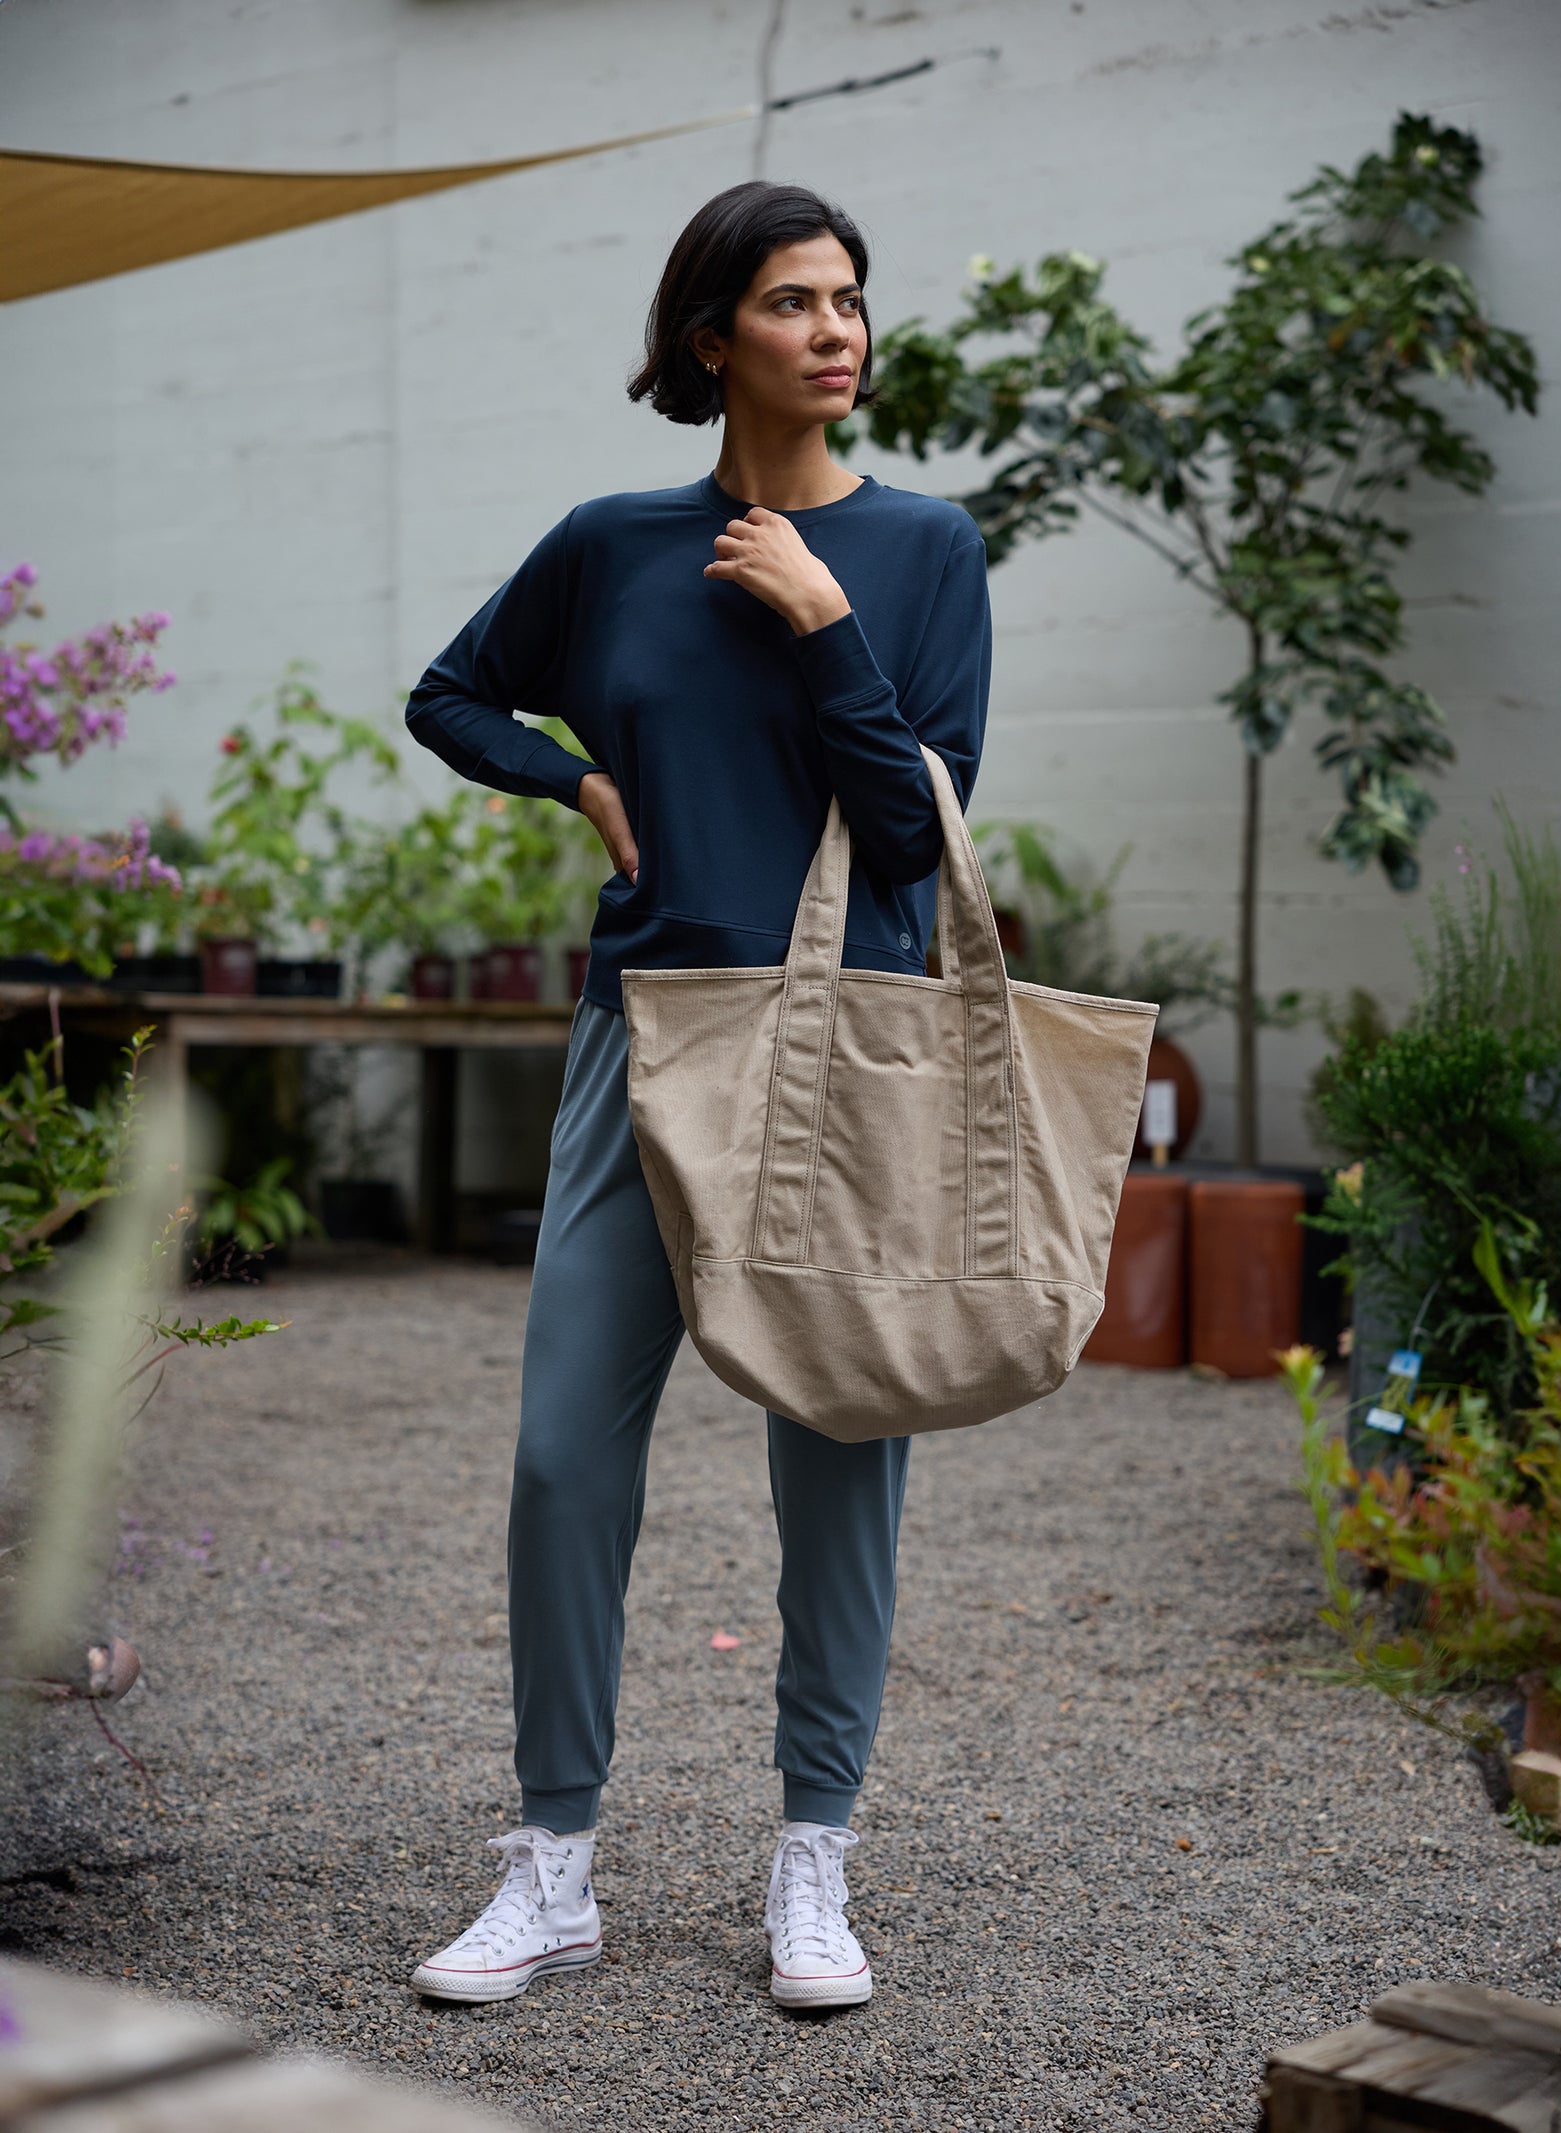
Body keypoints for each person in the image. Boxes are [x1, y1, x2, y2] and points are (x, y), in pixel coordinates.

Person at [403, 179, 992, 2013]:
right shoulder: (613, 541)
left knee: (840, 1458)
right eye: (796, 301)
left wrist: (825, 622)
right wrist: (580, 782)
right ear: (707, 338)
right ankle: (554, 1861)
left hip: (841, 1053)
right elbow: (451, 696)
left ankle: (813, 1855)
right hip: (643, 1032)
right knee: (565, 1453)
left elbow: (916, 834)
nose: (839, 328)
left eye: (851, 300)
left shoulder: (921, 553)